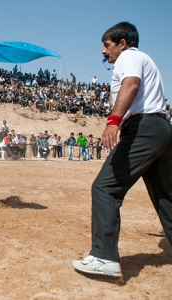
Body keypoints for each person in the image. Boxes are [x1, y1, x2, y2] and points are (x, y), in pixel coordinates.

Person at [72, 22, 172, 278]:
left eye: (106, 45)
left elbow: (131, 85)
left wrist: (113, 121)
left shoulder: (128, 57)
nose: (103, 52)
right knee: (165, 195)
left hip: (143, 127)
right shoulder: (142, 59)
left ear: (122, 43)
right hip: (160, 127)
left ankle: (104, 258)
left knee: (105, 187)